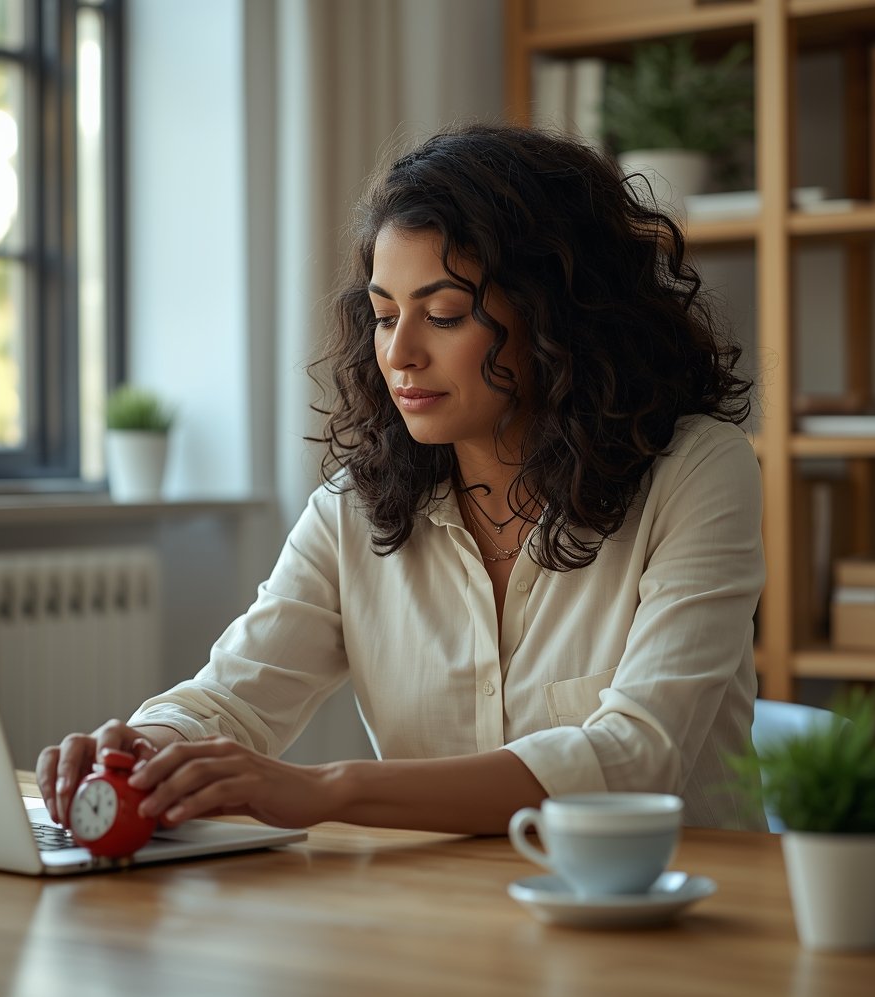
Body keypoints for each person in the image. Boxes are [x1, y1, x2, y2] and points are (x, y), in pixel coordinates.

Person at [38, 122, 766, 835]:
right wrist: (147, 745)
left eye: (445, 315)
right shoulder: (355, 509)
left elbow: (635, 759)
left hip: (675, 920)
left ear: (558, 319)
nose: (401, 354)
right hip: (441, 921)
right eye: (385, 316)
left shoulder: (697, 471)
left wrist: (331, 789)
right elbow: (230, 698)